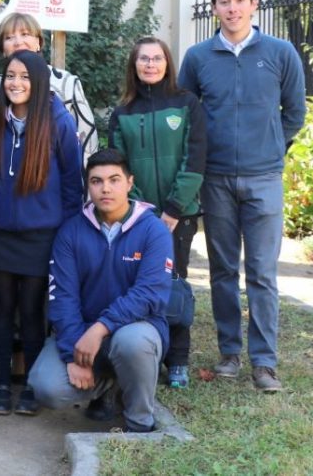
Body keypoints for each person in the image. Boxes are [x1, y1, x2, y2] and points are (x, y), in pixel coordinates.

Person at [178, 0, 306, 392]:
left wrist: (270, 149)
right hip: (214, 179)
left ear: (254, 4)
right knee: (222, 270)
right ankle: (230, 353)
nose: (231, 8)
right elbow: (188, 116)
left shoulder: (281, 52)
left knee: (263, 273)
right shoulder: (198, 57)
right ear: (214, 7)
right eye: (223, 1)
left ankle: (264, 363)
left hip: (264, 177)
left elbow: (295, 113)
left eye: (239, 0)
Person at [29, 149, 173, 433]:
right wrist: (73, 354)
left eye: (114, 179)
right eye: (96, 181)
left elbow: (148, 294)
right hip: (82, 335)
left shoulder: (153, 230)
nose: (105, 188)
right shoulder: (71, 232)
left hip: (136, 330)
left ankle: (139, 423)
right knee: (45, 387)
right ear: (88, 186)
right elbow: (62, 298)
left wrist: (100, 328)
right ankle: (110, 382)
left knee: (132, 343)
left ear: (130, 183)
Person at [0, 50, 82, 416]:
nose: (16, 83)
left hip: (43, 235)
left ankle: (32, 387)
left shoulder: (58, 123)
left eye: (24, 77)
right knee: (2, 309)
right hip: (2, 234)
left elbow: (73, 184)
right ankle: (2, 382)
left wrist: (68, 234)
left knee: (33, 311)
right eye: (10, 76)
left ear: (38, 82)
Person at [110, 36, 206, 390]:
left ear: (167, 63)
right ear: (133, 66)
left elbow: (194, 159)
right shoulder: (122, 113)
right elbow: (117, 165)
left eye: (157, 58)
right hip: (136, 216)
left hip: (178, 216)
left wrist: (173, 209)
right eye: (143, 59)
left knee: (173, 283)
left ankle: (178, 358)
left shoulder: (186, 104)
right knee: (134, 283)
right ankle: (145, 353)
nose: (150, 64)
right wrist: (139, 210)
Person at [0, 13, 98, 160]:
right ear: (2, 48)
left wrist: (85, 176)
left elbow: (87, 139)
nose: (18, 42)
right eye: (9, 37)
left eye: (25, 34)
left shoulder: (66, 83)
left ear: (38, 42)